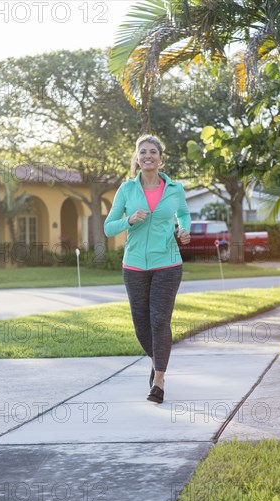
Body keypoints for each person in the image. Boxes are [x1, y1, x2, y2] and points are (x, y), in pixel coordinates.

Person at [104, 135, 191, 404]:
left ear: (160, 157)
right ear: (137, 158)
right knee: (141, 324)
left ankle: (160, 381)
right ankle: (157, 361)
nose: (148, 156)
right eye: (143, 152)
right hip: (134, 266)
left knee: (159, 320)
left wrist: (184, 228)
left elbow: (184, 214)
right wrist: (129, 220)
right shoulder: (126, 190)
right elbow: (109, 227)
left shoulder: (175, 188)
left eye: (153, 152)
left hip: (167, 263)